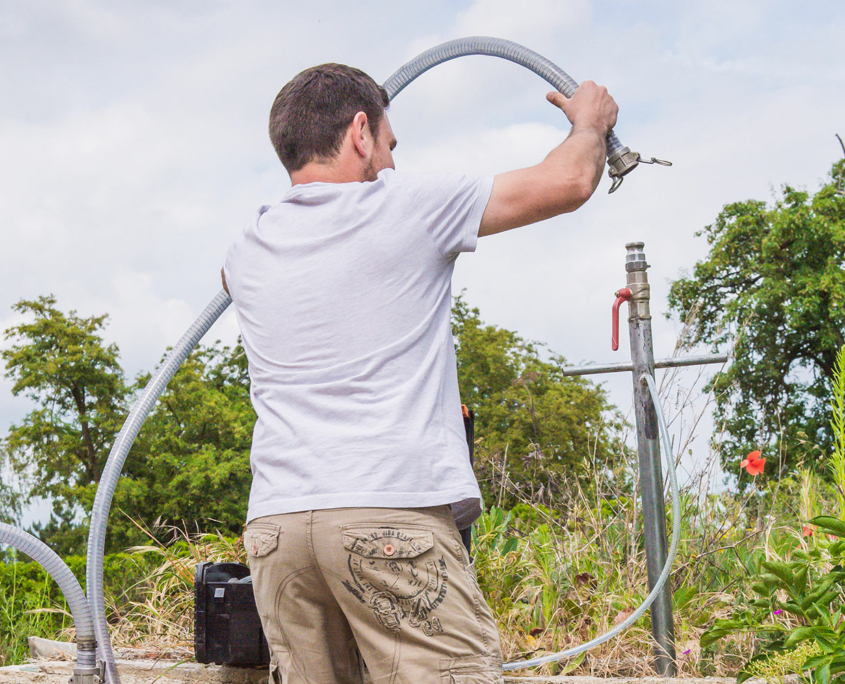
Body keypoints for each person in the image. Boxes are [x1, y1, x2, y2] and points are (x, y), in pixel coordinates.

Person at [222, 63, 617, 684]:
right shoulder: (404, 205)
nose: (392, 163)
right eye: (389, 144)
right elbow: (568, 180)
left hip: (278, 531)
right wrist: (590, 125)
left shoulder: (249, 244)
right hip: (386, 510)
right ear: (360, 132)